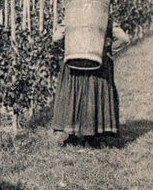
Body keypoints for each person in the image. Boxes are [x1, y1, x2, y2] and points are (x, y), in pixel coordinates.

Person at [51, 18, 130, 146]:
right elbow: (124, 39)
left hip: (74, 64)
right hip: (98, 63)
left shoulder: (71, 16)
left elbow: (56, 38)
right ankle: (95, 135)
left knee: (75, 96)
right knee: (94, 95)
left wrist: (69, 48)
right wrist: (107, 50)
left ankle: (73, 134)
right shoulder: (105, 18)